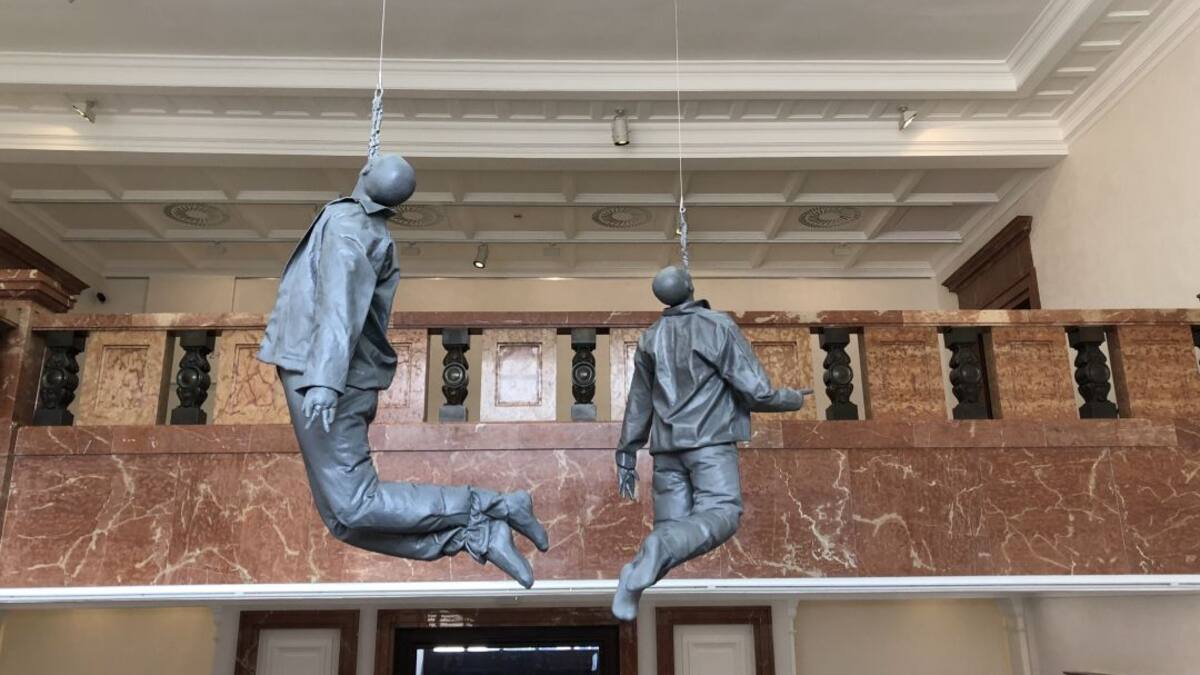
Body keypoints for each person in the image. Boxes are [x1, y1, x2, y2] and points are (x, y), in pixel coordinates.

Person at [259, 154, 548, 588]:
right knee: (344, 520)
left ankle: (496, 506)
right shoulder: (353, 222)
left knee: (354, 504)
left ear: (364, 171)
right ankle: (477, 533)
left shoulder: (352, 229)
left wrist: (324, 380)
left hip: (326, 375)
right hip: (319, 370)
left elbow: (340, 305)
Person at [611, 266, 812, 619]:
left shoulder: (650, 337)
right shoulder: (716, 325)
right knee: (723, 513)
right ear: (691, 285)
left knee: (675, 531)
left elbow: (638, 402)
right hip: (709, 444)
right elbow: (756, 392)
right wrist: (793, 398)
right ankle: (655, 548)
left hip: (666, 451)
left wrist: (627, 452)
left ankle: (635, 580)